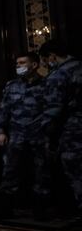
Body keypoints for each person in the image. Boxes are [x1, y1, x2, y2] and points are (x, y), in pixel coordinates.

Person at [0, 51, 50, 220]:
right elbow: (3, 109)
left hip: (38, 135)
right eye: (17, 63)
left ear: (34, 65)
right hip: (16, 135)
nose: (19, 66)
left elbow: (51, 109)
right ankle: (5, 208)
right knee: (10, 171)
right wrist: (1, 131)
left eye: (22, 63)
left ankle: (41, 209)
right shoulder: (12, 86)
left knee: (41, 172)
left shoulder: (46, 85)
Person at [38, 40, 82, 217]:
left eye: (45, 60)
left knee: (77, 174)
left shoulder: (59, 75)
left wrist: (47, 135)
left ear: (52, 57)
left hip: (72, 131)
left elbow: (53, 110)